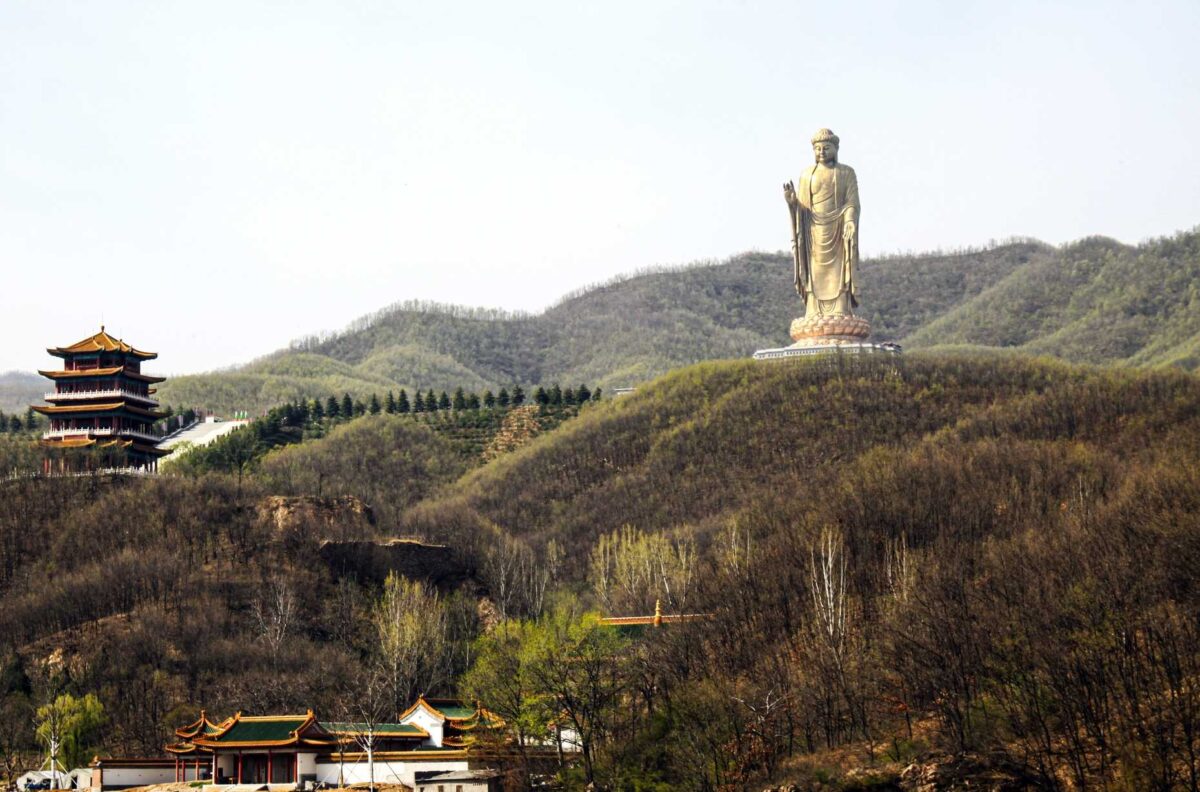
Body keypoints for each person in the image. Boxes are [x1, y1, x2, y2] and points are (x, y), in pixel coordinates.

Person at [783, 128, 861, 319]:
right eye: (818, 149)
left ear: (835, 148)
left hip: (839, 230)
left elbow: (852, 202)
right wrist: (792, 202)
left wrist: (850, 220)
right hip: (813, 231)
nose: (822, 152)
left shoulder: (846, 173)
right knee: (814, 271)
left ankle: (840, 309)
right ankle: (813, 309)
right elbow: (803, 209)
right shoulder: (807, 175)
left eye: (826, 148)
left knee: (839, 272)